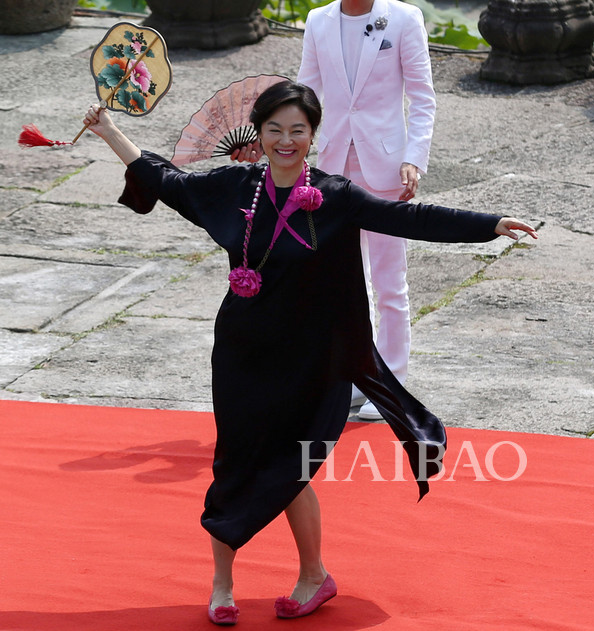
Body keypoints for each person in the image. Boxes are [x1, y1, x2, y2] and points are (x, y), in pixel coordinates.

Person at [83, 80, 537, 626]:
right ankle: (222, 585)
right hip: (242, 352)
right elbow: (168, 181)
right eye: (274, 129)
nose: (286, 140)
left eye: (298, 130)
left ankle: (314, 575)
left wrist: (489, 225)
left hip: (310, 359)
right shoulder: (235, 186)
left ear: (313, 135)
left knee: (293, 468)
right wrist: (109, 130)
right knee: (235, 461)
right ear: (261, 132)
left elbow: (408, 219)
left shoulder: (335, 195)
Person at [237, 0, 437, 421]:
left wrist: (414, 158)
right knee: (334, 279)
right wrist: (275, 141)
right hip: (328, 168)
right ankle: (344, 379)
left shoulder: (403, 18)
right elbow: (305, 96)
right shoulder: (318, 20)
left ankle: (390, 385)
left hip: (386, 166)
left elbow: (422, 97)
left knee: (389, 282)